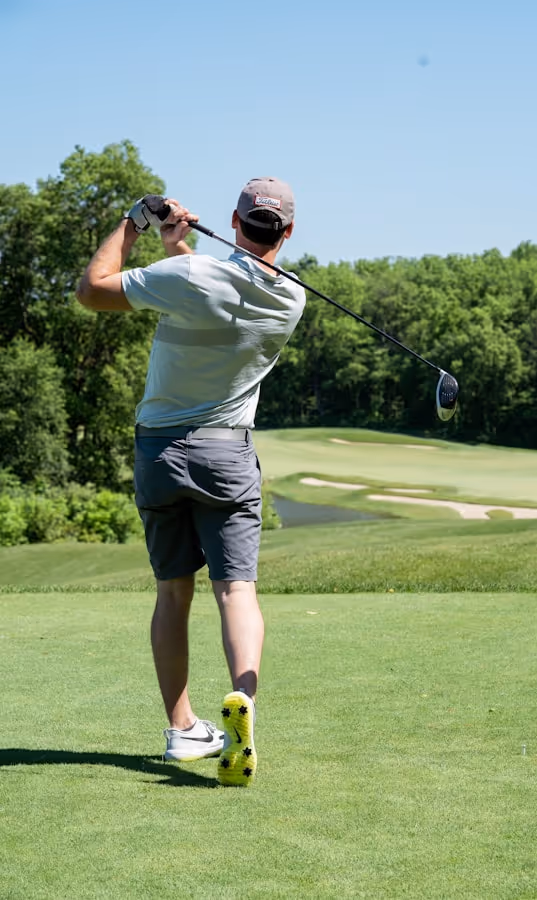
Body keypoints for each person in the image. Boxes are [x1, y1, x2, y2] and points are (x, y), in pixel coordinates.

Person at [76, 178, 306, 786]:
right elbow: (223, 292)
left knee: (173, 593)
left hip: (160, 452)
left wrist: (136, 224)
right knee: (236, 593)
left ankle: (182, 729)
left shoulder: (190, 278)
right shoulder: (291, 301)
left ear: (233, 221)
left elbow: (92, 291)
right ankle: (243, 701)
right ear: (288, 232)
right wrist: (183, 249)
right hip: (228, 455)